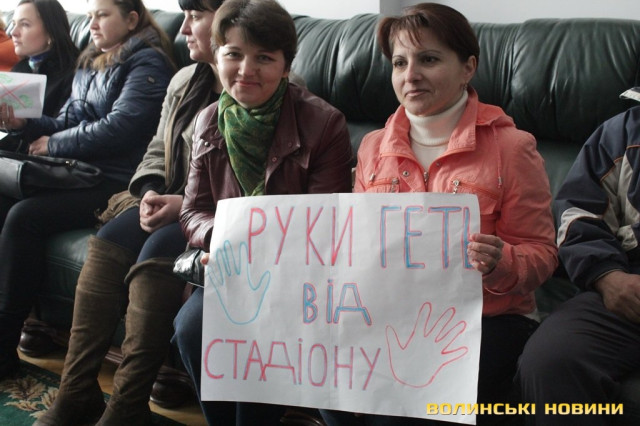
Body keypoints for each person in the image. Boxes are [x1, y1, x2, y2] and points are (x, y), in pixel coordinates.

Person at [319, 3, 558, 426]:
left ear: (468, 68)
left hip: (485, 321)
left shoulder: (512, 147)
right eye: (399, 63)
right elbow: (358, 248)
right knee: (331, 388)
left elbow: (541, 254)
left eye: (428, 59)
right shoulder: (373, 147)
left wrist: (501, 262)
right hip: (391, 316)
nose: (410, 75)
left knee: (401, 403)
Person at [33, 0, 224, 424]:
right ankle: (76, 392)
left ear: (230, 16)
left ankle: (126, 407)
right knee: (108, 242)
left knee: (155, 251)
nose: (184, 30)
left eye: (196, 17)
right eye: (185, 17)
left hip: (208, 214)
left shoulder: (255, 83)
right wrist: (150, 189)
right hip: (165, 198)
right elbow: (156, 149)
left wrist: (183, 205)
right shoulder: (185, 80)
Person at [171, 0, 353, 424]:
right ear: (217, 56)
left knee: (264, 331)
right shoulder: (208, 121)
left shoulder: (324, 123)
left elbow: (325, 224)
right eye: (233, 54)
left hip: (299, 277)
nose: (245, 70)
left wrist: (262, 248)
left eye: (264, 58)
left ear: (286, 66)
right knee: (191, 328)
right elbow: (193, 211)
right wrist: (220, 237)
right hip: (231, 270)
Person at [0, 0, 174, 386]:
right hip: (79, 171)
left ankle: (4, 345)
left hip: (114, 180)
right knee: (5, 198)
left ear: (131, 19)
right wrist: (26, 125)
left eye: (103, 15)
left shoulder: (148, 63)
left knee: (24, 217)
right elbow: (67, 120)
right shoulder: (93, 60)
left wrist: (53, 144)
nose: (93, 23)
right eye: (91, 16)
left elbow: (121, 128)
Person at [516, 99, 640, 425]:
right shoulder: (623, 131)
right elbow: (577, 213)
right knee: (550, 359)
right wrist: (608, 277)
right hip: (627, 282)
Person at [1, 0, 79, 152]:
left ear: (51, 31)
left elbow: (65, 130)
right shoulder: (21, 68)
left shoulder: (76, 73)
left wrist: (21, 124)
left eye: (25, 24)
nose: (13, 32)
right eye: (14, 24)